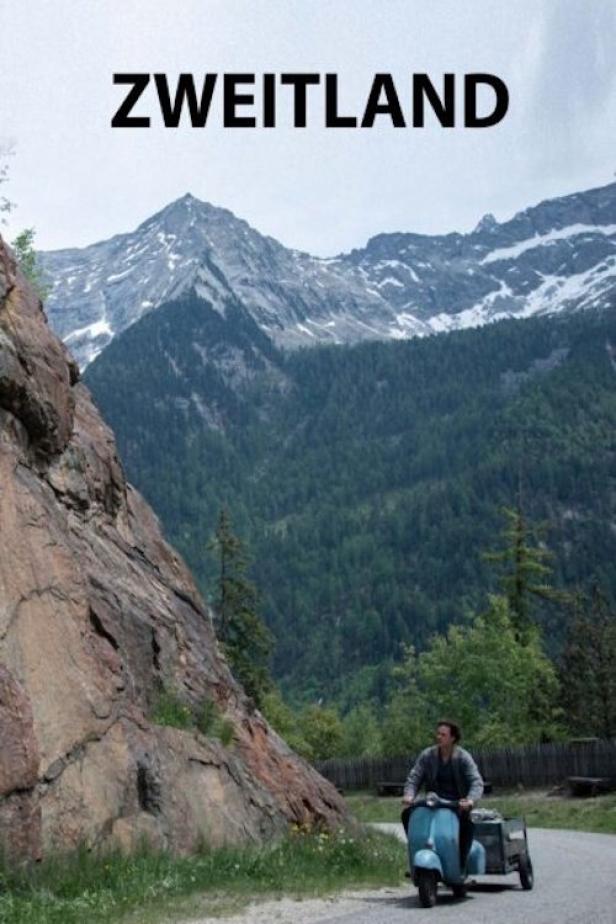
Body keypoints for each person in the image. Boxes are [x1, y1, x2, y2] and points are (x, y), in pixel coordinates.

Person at [401, 720, 483, 868]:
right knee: (407, 814)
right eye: (438, 734)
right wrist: (409, 795)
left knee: (467, 824)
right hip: (432, 803)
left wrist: (470, 800)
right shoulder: (428, 755)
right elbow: (414, 777)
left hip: (456, 804)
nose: (439, 737)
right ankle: (416, 849)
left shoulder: (463, 757)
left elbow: (476, 781)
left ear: (452, 738)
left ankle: (461, 862)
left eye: (443, 735)